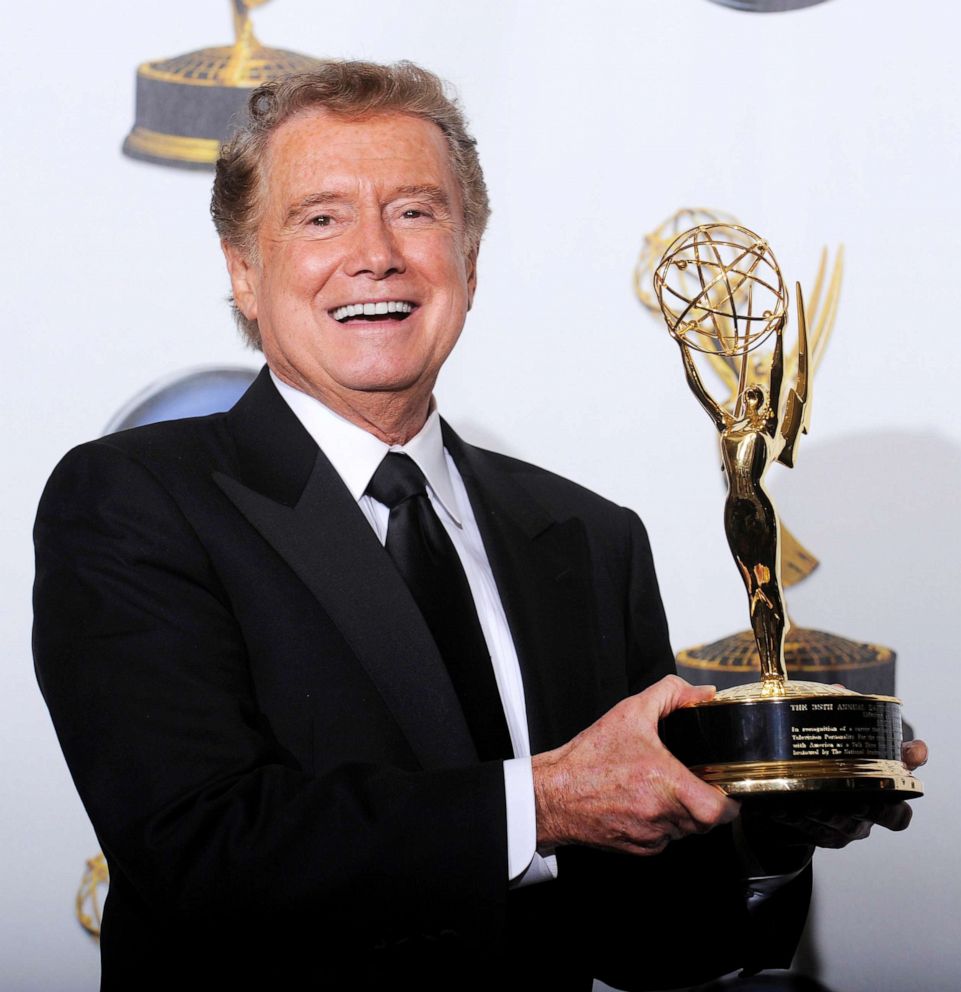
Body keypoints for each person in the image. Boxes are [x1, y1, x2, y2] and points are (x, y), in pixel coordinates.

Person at [33, 61, 922, 992]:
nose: (375, 253)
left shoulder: (585, 535)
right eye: (321, 216)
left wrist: (759, 830)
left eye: (416, 212)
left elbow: (648, 944)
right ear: (244, 272)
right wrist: (541, 806)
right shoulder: (137, 500)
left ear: (470, 258)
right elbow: (198, 850)